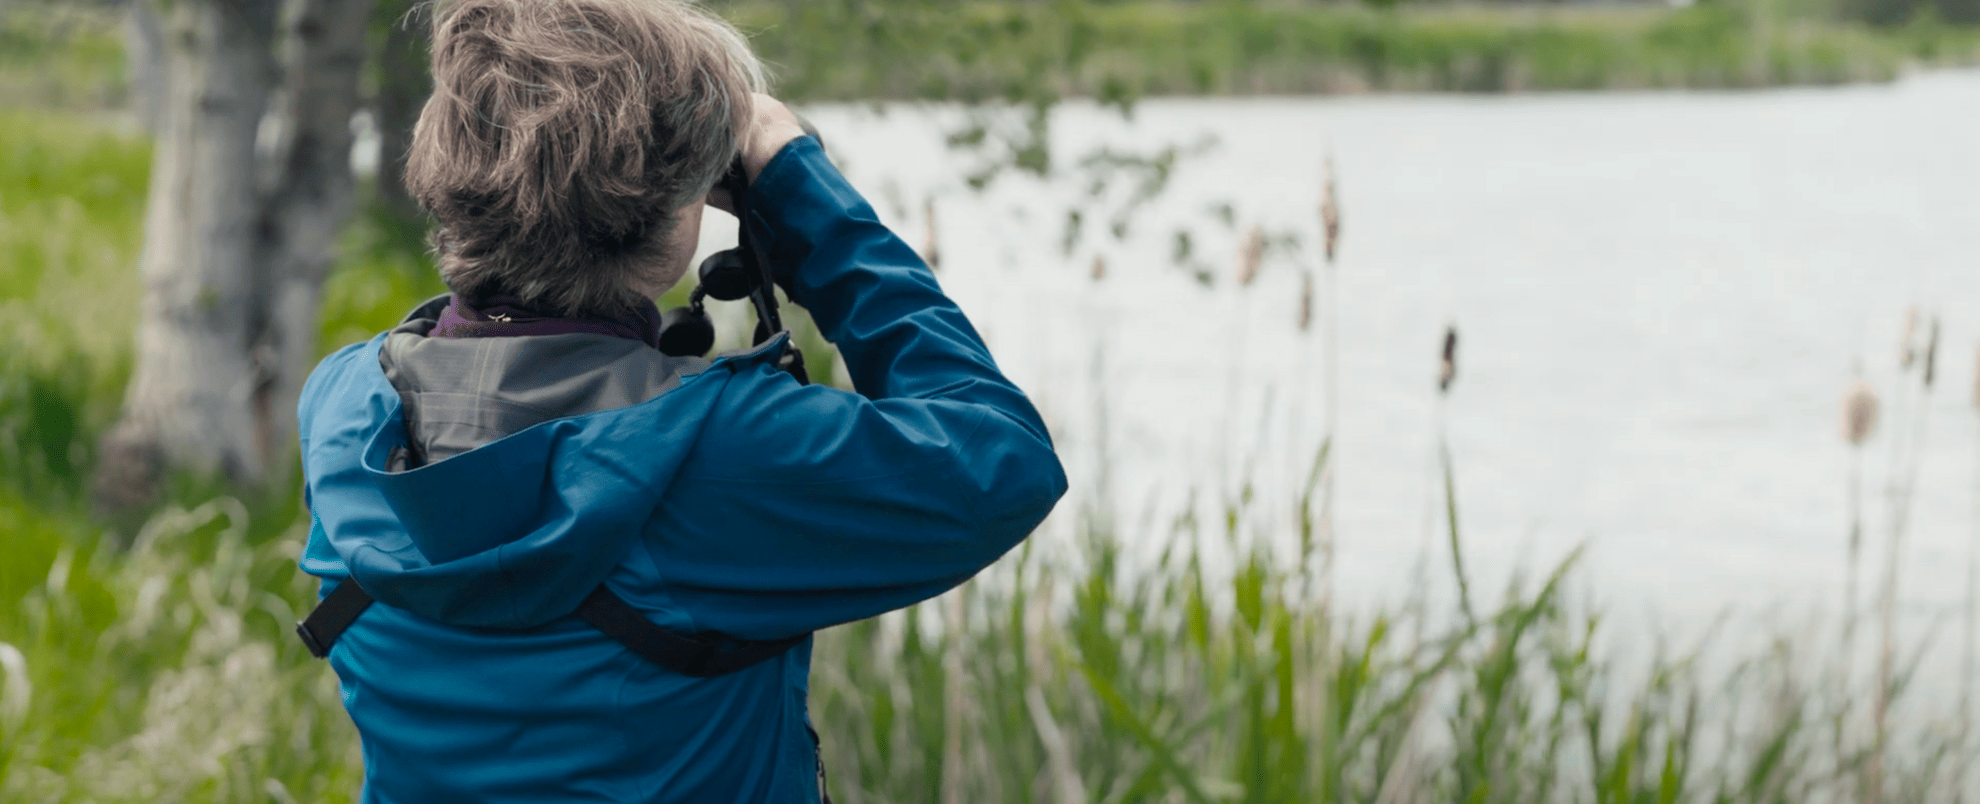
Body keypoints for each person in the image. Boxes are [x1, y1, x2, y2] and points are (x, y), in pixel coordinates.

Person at [291, 1, 1066, 801]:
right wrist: (802, 196)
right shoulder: (719, 455)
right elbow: (1004, 456)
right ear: (672, 219)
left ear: (446, 171)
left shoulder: (346, 408)